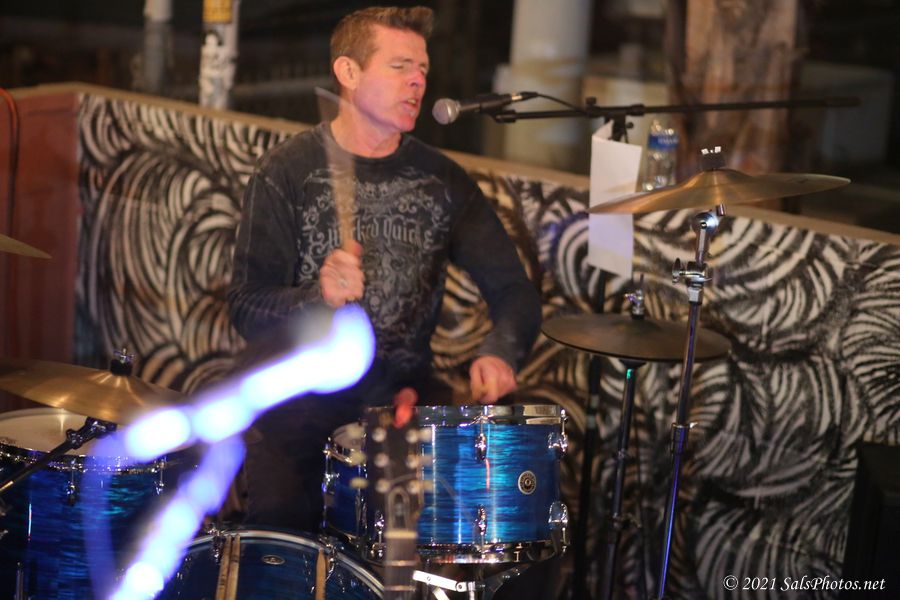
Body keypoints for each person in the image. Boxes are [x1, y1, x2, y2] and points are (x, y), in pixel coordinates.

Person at [227, 5, 541, 535]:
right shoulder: (286, 172)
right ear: (348, 72)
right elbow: (245, 305)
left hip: (402, 400)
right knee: (281, 535)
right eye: (400, 67)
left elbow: (514, 289)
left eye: (423, 68)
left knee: (498, 514)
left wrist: (499, 352)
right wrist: (317, 296)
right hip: (298, 403)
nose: (418, 80)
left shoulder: (443, 182)